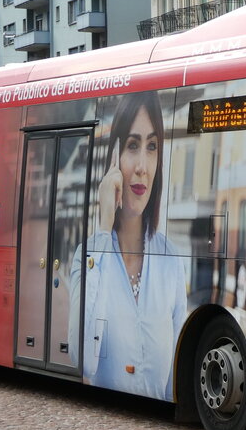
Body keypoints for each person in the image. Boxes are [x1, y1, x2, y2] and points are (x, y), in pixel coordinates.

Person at [69, 92, 188, 400]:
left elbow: (176, 382)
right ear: (115, 157)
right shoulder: (88, 256)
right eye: (133, 146)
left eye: (152, 147)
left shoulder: (172, 262)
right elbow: (83, 359)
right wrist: (104, 226)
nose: (141, 167)